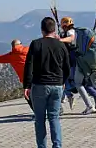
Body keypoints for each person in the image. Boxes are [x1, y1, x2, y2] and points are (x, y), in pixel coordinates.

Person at [24, 16, 69, 148]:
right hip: (57, 85)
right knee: (54, 118)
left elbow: (29, 66)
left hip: (39, 85)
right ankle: (57, 145)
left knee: (40, 119)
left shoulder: (36, 44)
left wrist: (27, 85)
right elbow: (67, 66)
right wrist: (63, 81)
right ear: (54, 29)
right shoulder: (61, 45)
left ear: (42, 30)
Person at [0, 39, 32, 110]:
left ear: (12, 46)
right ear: (20, 44)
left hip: (25, 80)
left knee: (29, 97)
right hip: (38, 76)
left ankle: (38, 114)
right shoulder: (30, 49)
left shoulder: (11, 56)